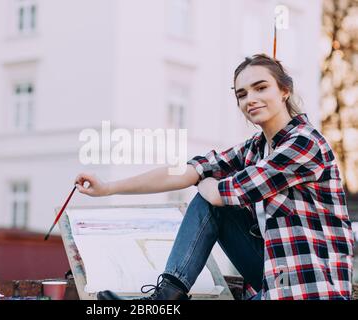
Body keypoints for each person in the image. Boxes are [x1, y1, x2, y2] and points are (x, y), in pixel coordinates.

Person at [74, 54, 354, 300]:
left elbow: (224, 193)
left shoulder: (304, 143)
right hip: (274, 284)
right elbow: (182, 172)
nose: (251, 99)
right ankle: (167, 296)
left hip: (311, 288)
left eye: (261, 88)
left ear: (284, 90)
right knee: (207, 203)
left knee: (211, 199)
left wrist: (207, 183)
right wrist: (108, 188)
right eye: (242, 94)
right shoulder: (254, 149)